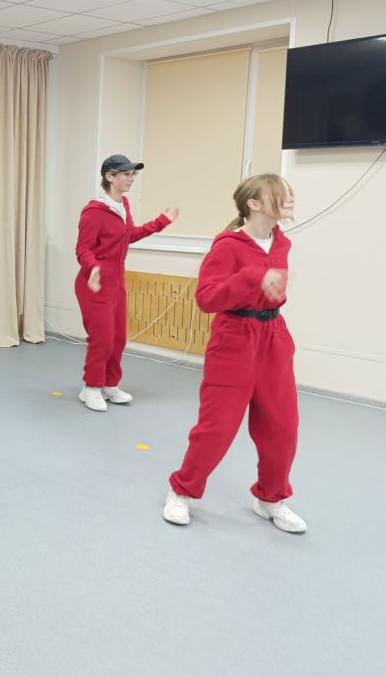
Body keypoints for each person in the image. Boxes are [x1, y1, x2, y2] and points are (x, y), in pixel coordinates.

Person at [163, 174, 306, 533]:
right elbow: (206, 298)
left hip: (273, 338)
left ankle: (270, 498)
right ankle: (182, 490)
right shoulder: (228, 246)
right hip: (234, 340)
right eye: (281, 195)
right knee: (218, 427)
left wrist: (273, 289)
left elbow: (274, 293)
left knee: (282, 427)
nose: (289, 199)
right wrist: (252, 278)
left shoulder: (282, 243)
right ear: (254, 204)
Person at [74, 154, 178, 411]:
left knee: (118, 338)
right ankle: (91, 388)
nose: (131, 179)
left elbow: (129, 235)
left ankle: (110, 385)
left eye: (133, 174)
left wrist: (162, 222)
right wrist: (93, 267)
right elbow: (83, 249)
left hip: (116, 284)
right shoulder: (94, 212)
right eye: (126, 174)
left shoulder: (123, 206)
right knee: (102, 339)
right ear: (110, 177)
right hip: (94, 284)